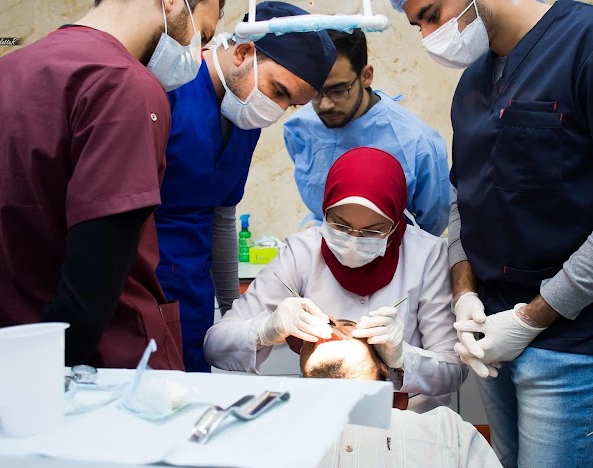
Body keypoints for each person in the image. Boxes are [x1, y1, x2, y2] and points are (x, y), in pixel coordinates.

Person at [391, 0, 593, 468]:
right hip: (490, 327)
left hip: (573, 332)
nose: (430, 35)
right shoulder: (474, 82)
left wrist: (531, 318)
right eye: (417, 25)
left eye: (431, 13)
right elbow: (463, 200)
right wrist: (464, 294)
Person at [0, 0, 221, 369]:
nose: (196, 52)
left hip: (2, 365)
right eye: (201, 35)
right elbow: (87, 299)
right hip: (101, 374)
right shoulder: (124, 85)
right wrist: (40, 376)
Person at [204, 147, 466, 412]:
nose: (353, 240)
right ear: (325, 211)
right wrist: (266, 329)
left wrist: (403, 358)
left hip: (410, 416)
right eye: (340, 225)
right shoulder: (301, 253)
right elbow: (215, 346)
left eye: (373, 231)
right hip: (320, 413)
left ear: (396, 223)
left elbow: (455, 370)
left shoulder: (427, 256)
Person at [156, 1, 337, 373]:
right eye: (278, 90)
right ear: (243, 52)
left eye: (291, 104)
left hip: (192, 297)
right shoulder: (170, 91)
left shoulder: (243, 119)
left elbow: (222, 219)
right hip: (139, 288)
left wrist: (231, 317)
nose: (277, 108)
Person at [292, 330, 538, 468]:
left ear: (384, 366)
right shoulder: (274, 430)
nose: (330, 330)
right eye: (314, 337)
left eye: (347, 328)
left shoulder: (448, 429)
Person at [283, 29, 451, 236]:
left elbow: (433, 223)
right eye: (315, 91)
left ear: (366, 76)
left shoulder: (417, 144)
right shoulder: (299, 128)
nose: (325, 104)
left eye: (338, 91)